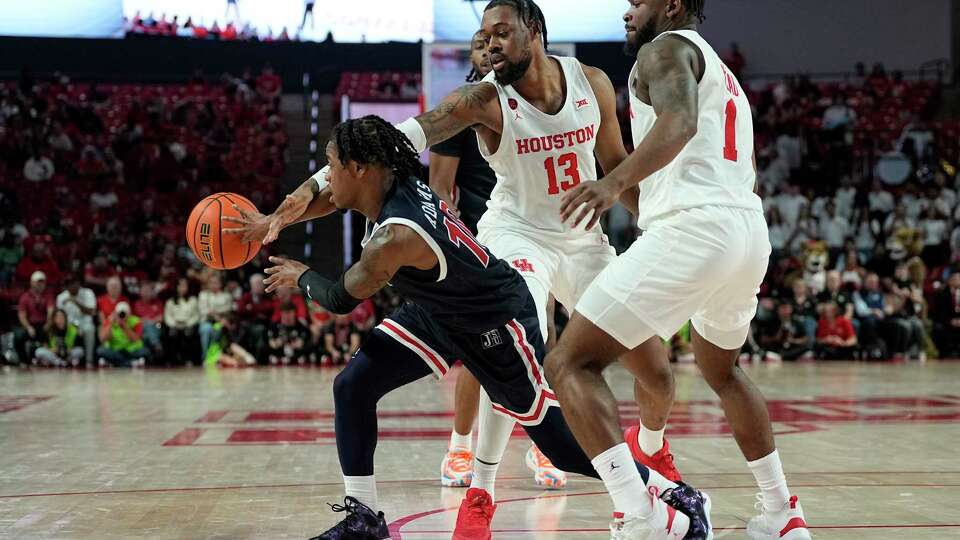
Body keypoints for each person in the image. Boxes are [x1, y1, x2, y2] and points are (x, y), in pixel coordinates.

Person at [230, 116, 710, 540]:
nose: (328, 175)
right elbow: (331, 194)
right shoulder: (394, 178)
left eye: (333, 164)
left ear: (359, 168)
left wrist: (300, 277)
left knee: (559, 445)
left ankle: (673, 494)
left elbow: (338, 298)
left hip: (495, 318)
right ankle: (363, 520)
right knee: (353, 385)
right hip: (439, 310)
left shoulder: (395, 236)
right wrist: (277, 218)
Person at [540, 2, 810, 539]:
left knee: (568, 364)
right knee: (722, 372)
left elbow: (679, 124)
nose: (626, 11)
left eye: (639, 1)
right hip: (747, 233)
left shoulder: (663, 49)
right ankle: (782, 514)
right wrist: (631, 194)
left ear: (672, 6)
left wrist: (610, 184)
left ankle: (641, 515)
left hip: (695, 229)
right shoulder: (722, 70)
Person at [428, 29, 565, 491]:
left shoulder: (539, 100)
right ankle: (460, 447)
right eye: (477, 44)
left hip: (538, 235)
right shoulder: (463, 108)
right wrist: (454, 246)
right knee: (482, 347)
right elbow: (440, 189)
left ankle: (542, 444)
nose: (487, 49)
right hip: (484, 238)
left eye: (496, 41)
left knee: (539, 339)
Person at [56, 275, 97, 365]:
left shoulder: (88, 293)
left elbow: (92, 312)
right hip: (69, 325)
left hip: (84, 323)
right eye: (69, 284)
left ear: (78, 283)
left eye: (74, 283)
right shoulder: (61, 297)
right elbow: (60, 315)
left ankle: (89, 360)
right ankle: (62, 358)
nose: (72, 286)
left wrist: (75, 301)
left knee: (89, 330)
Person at [15, 271, 53, 364]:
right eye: (38, 282)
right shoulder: (25, 297)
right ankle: (24, 361)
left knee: (53, 333)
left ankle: (51, 358)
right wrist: (28, 327)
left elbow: (51, 310)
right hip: (30, 324)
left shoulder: (48, 296)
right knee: (18, 336)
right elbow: (22, 315)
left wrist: (48, 323)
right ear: (32, 283)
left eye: (42, 282)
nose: (41, 284)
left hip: (44, 324)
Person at [97, 301, 149, 368]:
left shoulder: (136, 321)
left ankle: (115, 362)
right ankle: (131, 363)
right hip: (115, 350)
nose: (122, 315)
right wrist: (110, 324)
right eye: (120, 313)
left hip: (131, 350)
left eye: (124, 313)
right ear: (115, 313)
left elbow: (135, 339)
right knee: (101, 350)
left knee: (145, 351)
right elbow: (102, 339)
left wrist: (124, 326)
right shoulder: (110, 320)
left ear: (129, 313)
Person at [163, 278, 201, 365]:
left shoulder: (193, 300)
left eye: (184, 286)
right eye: (180, 286)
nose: (182, 288)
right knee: (172, 334)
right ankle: (173, 360)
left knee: (189, 333)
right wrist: (174, 324)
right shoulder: (171, 301)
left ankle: (188, 359)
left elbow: (196, 315)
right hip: (175, 324)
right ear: (176, 287)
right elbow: (167, 316)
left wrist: (188, 323)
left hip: (188, 324)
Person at [198, 274, 233, 360]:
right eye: (211, 283)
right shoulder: (203, 295)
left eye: (216, 283)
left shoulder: (226, 296)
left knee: (220, 329)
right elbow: (203, 311)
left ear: (220, 284)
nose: (213, 285)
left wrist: (213, 312)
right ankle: (206, 357)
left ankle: (217, 357)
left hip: (222, 322)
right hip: (207, 321)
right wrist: (217, 314)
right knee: (206, 329)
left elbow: (227, 309)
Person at [133, 280, 164, 363]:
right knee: (146, 330)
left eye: (148, 290)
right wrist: (143, 321)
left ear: (152, 292)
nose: (146, 293)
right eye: (144, 291)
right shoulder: (137, 304)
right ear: (140, 292)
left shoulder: (158, 303)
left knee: (148, 327)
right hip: (141, 329)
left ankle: (150, 353)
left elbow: (161, 318)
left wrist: (150, 321)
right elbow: (133, 320)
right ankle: (156, 345)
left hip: (157, 327)